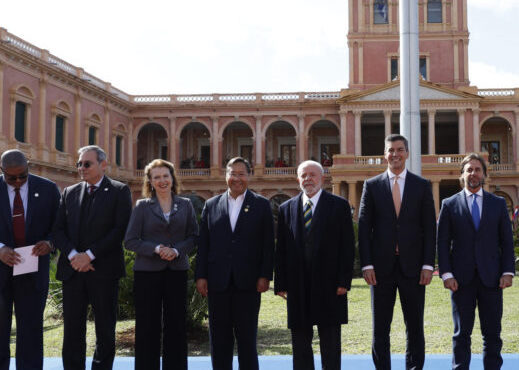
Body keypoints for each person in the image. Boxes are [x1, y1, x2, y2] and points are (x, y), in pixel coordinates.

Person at [358, 134, 436, 370]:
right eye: (391, 150)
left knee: (414, 327)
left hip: (413, 269)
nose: (395, 154)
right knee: (380, 327)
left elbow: (429, 228)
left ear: (407, 153)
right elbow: (364, 227)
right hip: (380, 270)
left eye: (400, 150)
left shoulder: (422, 186)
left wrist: (428, 265)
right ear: (385, 154)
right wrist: (367, 264)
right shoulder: (371, 186)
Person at [52, 145, 132, 370]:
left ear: (103, 165)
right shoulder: (70, 192)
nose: (81, 168)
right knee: (73, 330)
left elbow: (120, 230)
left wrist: (89, 255)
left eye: (87, 164)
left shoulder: (119, 191)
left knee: (105, 329)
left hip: (103, 272)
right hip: (73, 271)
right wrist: (74, 256)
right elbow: (58, 230)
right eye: (79, 164)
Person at [195, 157, 274, 370]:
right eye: (233, 173)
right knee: (219, 340)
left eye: (241, 174)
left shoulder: (261, 205)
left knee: (247, 339)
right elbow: (204, 243)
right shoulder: (211, 205)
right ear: (226, 176)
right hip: (217, 282)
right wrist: (200, 275)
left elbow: (268, 244)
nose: (237, 178)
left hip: (248, 283)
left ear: (248, 176)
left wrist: (265, 275)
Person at [275, 160, 355, 369]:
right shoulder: (286, 208)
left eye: (312, 174)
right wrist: (281, 283)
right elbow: (281, 249)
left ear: (322, 178)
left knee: (330, 341)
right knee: (300, 342)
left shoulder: (339, 206)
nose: (308, 179)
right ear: (298, 179)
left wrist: (344, 281)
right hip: (297, 285)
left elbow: (347, 247)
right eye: (303, 175)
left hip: (330, 285)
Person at [437, 153, 515, 369]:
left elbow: (506, 242)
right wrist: (447, 274)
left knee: (492, 335)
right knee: (461, 334)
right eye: (469, 169)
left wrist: (508, 271)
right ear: (462, 175)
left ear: (484, 174)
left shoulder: (498, 204)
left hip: (492, 279)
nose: (473, 173)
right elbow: (442, 243)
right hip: (460, 281)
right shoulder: (449, 204)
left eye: (477, 169)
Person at [124, 159, 198, 370]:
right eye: (157, 177)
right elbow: (130, 241)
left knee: (176, 325)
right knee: (147, 325)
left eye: (165, 175)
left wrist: (175, 250)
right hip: (147, 273)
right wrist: (157, 249)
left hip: (176, 271)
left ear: (172, 178)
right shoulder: (142, 206)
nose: (162, 180)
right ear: (150, 181)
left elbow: (194, 236)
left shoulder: (185, 204)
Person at [0, 150, 60, 370]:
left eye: (22, 176)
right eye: (11, 177)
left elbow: (59, 225)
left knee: (31, 329)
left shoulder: (48, 189)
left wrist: (50, 243)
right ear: (2, 171)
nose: (17, 181)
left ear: (29, 166)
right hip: (1, 269)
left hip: (33, 270)